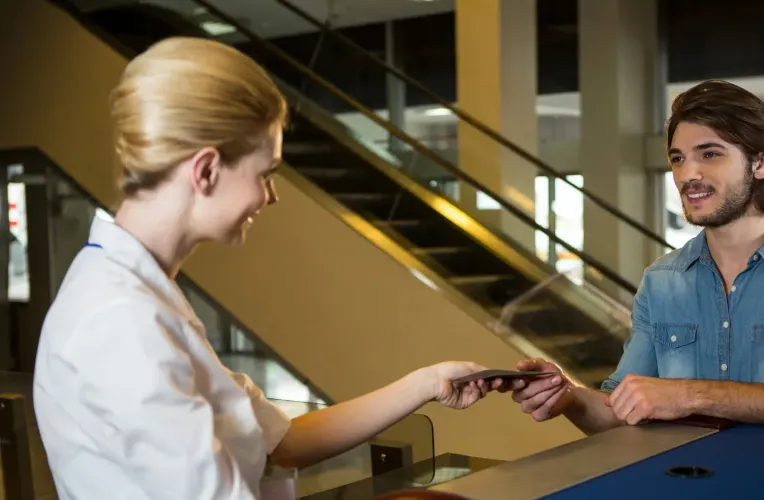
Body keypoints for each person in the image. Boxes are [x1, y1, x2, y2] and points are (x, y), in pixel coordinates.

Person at [32, 37, 494, 499]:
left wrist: (428, 383)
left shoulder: (139, 292)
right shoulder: (121, 320)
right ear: (207, 170)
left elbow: (281, 444)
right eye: (265, 173)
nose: (270, 196)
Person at [498, 79, 764, 434]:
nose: (687, 175)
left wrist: (689, 395)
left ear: (762, 164)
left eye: (710, 154)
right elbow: (623, 411)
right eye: (678, 158)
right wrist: (567, 395)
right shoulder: (662, 280)